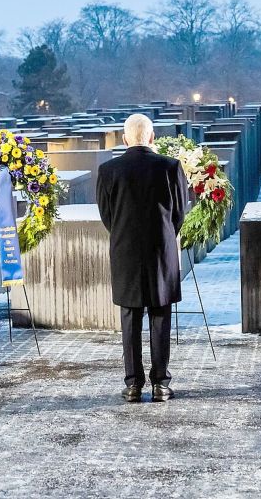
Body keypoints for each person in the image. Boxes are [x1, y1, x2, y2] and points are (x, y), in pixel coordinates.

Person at [96, 113, 189, 403]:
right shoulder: (170, 167)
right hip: (161, 251)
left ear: (125, 139)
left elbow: (106, 215)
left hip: (125, 251)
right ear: (151, 138)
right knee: (160, 316)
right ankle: (161, 383)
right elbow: (179, 214)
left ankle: (133, 384)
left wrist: (124, 234)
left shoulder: (109, 170)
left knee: (130, 318)